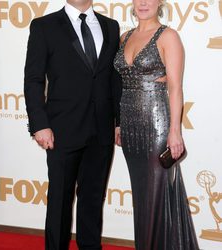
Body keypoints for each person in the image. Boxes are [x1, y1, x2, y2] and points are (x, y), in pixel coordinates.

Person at [24, 0, 122, 249]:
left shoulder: (110, 26)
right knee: (59, 202)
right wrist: (39, 124)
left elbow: (113, 78)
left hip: (101, 130)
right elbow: (34, 79)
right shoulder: (44, 26)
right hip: (61, 130)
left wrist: (118, 121)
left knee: (92, 200)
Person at [114, 0, 199, 249]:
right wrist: (119, 124)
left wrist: (175, 132)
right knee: (142, 198)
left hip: (156, 126)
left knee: (155, 196)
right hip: (130, 127)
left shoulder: (168, 36)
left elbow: (174, 87)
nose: (143, 3)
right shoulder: (124, 37)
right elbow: (120, 84)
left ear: (160, 2)